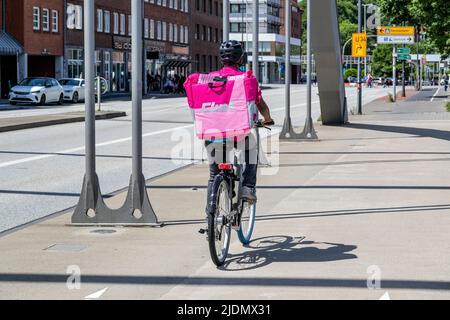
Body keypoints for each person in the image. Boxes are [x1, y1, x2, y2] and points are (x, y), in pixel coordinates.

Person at [203, 40, 274, 202]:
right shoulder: (246, 79)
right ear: (240, 59)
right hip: (237, 133)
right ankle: (247, 187)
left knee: (214, 175)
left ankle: (210, 216)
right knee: (252, 147)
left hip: (212, 133)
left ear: (221, 59)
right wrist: (267, 119)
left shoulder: (209, 79)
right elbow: (260, 104)